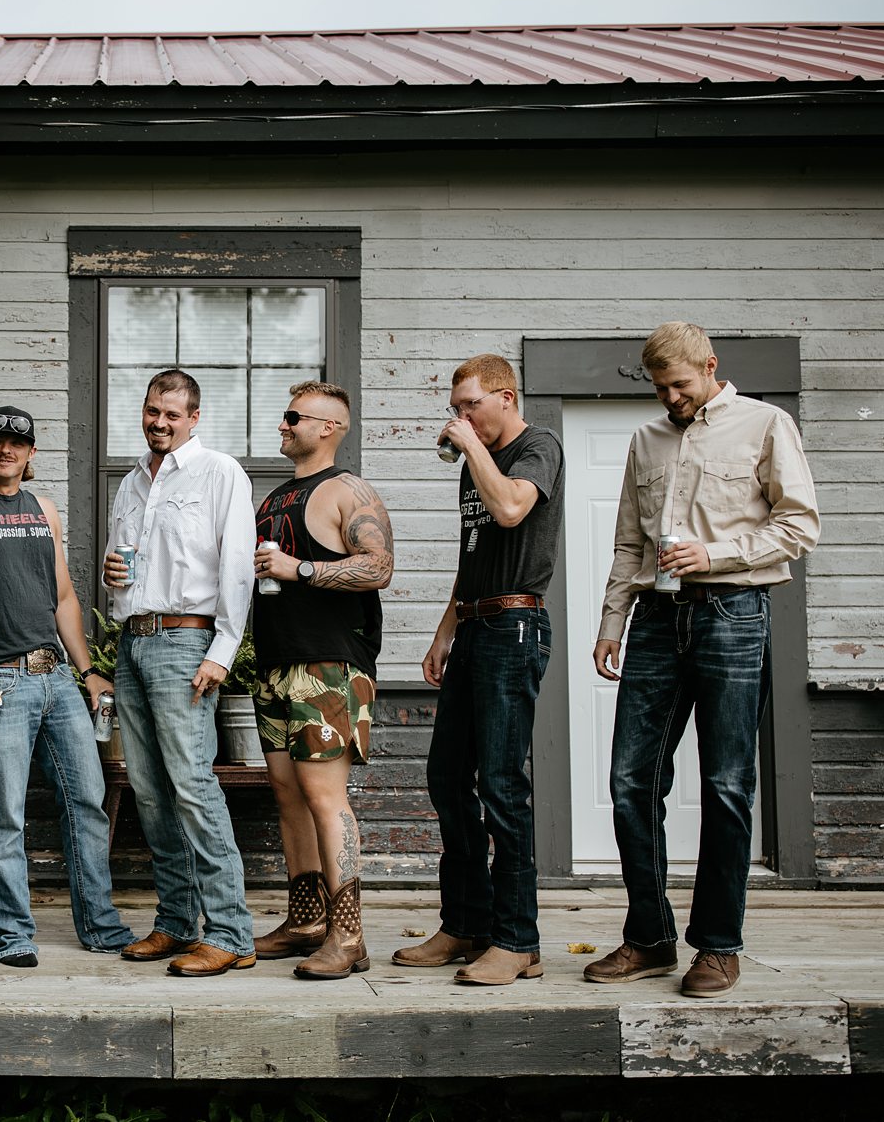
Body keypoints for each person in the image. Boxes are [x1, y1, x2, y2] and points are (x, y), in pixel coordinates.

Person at [586, 322, 820, 998]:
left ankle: (718, 946)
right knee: (632, 780)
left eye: (679, 384)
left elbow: (800, 524)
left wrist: (715, 554)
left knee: (725, 784)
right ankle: (649, 936)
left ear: (710, 366)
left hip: (734, 616)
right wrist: (612, 622)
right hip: (656, 622)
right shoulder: (646, 439)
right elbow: (629, 542)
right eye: (659, 387)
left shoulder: (765, 425)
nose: (669, 397)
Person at [0, 406, 135, 967]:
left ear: (31, 452)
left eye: (17, 443)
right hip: (2, 678)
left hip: (58, 678)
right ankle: (12, 935)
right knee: (6, 814)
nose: (6, 451)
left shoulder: (44, 509)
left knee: (87, 801)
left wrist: (87, 670)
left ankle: (100, 925)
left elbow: (63, 596)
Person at [396, 353, 565, 986]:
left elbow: (512, 511)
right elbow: (474, 555)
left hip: (515, 628)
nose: (460, 417)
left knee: (500, 783)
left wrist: (472, 450)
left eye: (470, 405)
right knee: (446, 779)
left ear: (506, 397)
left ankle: (518, 939)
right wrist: (445, 631)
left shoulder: (536, 447)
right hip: (473, 625)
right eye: (455, 408)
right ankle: (466, 924)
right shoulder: (479, 463)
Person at [102, 369, 257, 978]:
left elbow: (238, 567)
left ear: (194, 417)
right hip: (135, 644)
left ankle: (229, 932)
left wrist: (223, 649)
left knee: (193, 786)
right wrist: (118, 590)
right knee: (148, 790)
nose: (159, 422)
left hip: (189, 646)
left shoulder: (220, 473)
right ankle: (174, 922)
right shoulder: (131, 481)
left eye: (171, 414)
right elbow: (127, 567)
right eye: (151, 411)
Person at [249, 381, 392, 980]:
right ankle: (306, 920)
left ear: (330, 427)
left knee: (326, 799)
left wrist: (299, 566)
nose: (283, 425)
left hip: (329, 666)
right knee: (287, 796)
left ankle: (349, 935)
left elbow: (379, 566)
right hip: (277, 664)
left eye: (293, 417)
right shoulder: (275, 497)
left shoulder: (347, 490)